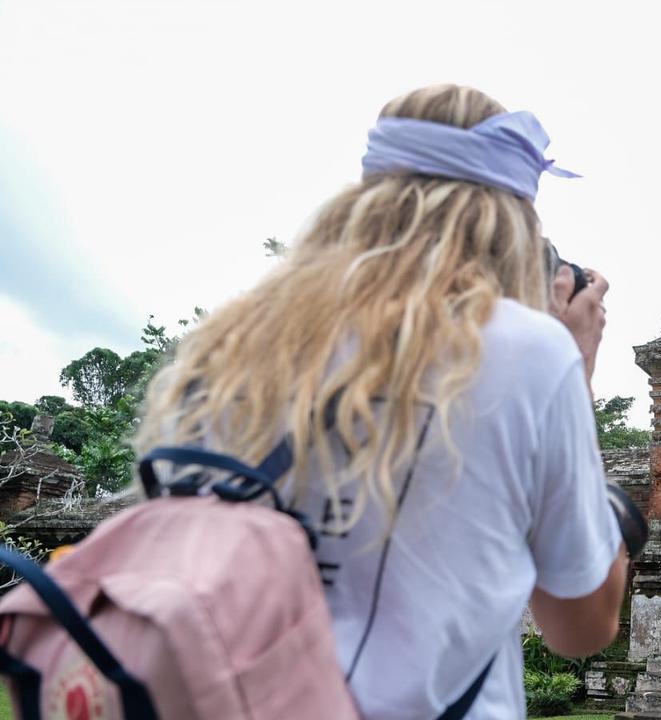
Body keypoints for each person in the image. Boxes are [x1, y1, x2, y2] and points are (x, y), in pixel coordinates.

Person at [132, 84, 627, 718]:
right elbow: (581, 626)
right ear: (508, 220)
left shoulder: (233, 342)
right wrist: (577, 365)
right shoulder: (529, 351)